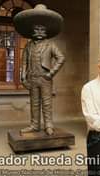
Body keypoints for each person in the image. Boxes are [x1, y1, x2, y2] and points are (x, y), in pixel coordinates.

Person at [13, 4, 65, 135]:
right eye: (37, 29)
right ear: (33, 31)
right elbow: (24, 62)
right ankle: (34, 125)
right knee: (34, 103)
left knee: (46, 103)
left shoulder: (50, 45)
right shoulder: (28, 46)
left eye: (42, 30)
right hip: (32, 78)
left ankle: (48, 125)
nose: (39, 32)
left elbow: (61, 58)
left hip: (45, 78)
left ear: (46, 32)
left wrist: (51, 73)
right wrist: (23, 76)